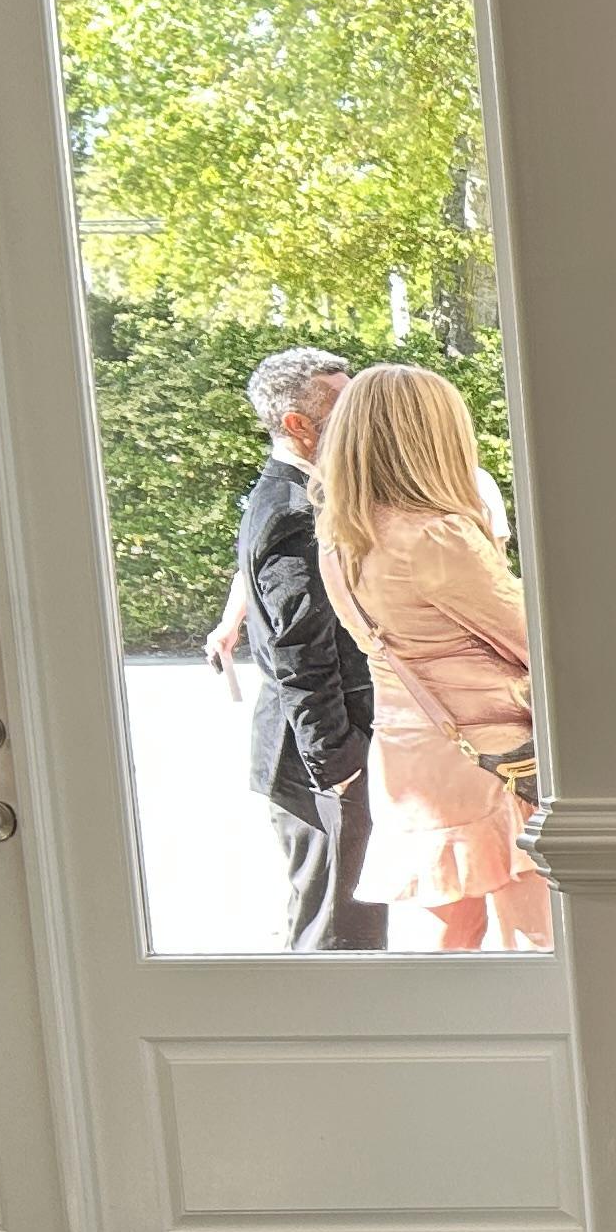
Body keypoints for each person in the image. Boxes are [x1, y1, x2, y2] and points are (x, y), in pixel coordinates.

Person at [312, 364, 551, 951]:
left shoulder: (341, 541)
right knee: (535, 942)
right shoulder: (437, 537)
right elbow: (537, 642)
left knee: (446, 946)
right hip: (491, 760)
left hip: (409, 758)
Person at [225, 347, 389, 950]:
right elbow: (299, 651)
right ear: (298, 424)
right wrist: (338, 763)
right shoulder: (293, 511)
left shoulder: (300, 495)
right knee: (337, 931)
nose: (362, 420)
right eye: (344, 407)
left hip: (322, 747)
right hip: (316, 754)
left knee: (348, 918)